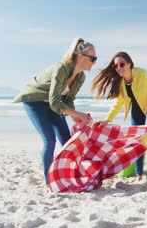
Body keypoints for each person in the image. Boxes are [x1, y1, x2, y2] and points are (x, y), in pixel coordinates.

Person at [13, 38, 96, 183]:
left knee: (67, 141)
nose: (94, 62)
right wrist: (75, 113)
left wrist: (74, 115)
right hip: (35, 101)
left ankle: (70, 175)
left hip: (54, 103)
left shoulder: (81, 76)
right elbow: (54, 101)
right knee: (49, 140)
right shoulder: (62, 68)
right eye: (92, 58)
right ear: (80, 56)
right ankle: (49, 181)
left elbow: (68, 99)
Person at [91, 51, 147, 180]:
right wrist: (107, 119)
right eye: (115, 66)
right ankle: (139, 174)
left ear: (129, 64)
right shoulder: (120, 82)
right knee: (137, 139)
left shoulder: (142, 74)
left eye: (122, 64)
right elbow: (119, 102)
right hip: (137, 107)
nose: (119, 68)